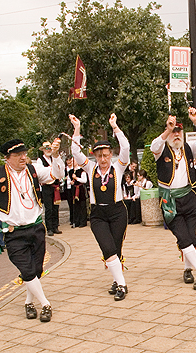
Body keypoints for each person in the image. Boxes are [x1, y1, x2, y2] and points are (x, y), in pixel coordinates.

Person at [0, 138, 64, 322]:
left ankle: (28, 303)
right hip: (13, 233)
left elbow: (57, 174)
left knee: (36, 270)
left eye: (24, 154)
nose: (23, 157)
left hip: (36, 228)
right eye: (18, 155)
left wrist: (55, 156)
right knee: (27, 270)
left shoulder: (34, 169)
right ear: (8, 158)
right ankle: (45, 304)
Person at [69, 113, 130, 301]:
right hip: (98, 214)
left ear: (111, 154)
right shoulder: (90, 168)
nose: (103, 159)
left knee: (116, 248)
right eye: (99, 156)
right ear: (95, 156)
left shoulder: (119, 167)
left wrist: (115, 127)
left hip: (118, 211)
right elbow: (75, 153)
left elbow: (126, 147)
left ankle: (115, 278)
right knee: (107, 247)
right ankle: (122, 285)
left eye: (105, 155)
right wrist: (77, 129)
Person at [150, 107, 196, 290]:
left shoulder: (188, 148)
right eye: (173, 131)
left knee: (191, 237)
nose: (176, 134)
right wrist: (167, 129)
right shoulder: (161, 150)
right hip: (170, 201)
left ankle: (187, 269)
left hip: (189, 198)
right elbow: (154, 146)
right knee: (182, 237)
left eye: (178, 131)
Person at [37, 141, 62, 236]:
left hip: (55, 186)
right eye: (46, 149)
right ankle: (49, 228)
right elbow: (41, 172)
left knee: (56, 206)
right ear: (43, 150)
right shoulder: (40, 160)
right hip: (46, 186)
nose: (48, 150)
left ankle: (55, 226)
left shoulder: (54, 159)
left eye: (50, 148)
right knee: (49, 208)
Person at [69, 159, 88, 228]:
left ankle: (83, 221)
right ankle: (76, 221)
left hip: (80, 189)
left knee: (82, 205)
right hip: (74, 189)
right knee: (75, 205)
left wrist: (76, 178)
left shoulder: (82, 171)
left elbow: (84, 180)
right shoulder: (71, 171)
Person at [64, 155, 75, 228]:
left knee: (74, 204)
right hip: (67, 188)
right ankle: (71, 219)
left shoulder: (74, 169)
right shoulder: (65, 169)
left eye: (70, 160)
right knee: (70, 204)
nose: (69, 162)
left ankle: (75, 219)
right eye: (68, 161)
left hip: (73, 187)